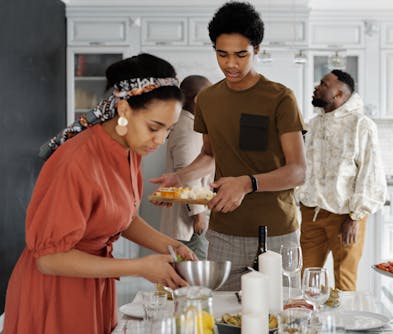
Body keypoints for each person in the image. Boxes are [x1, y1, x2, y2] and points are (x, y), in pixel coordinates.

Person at [4, 53, 197, 334]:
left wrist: (171, 245)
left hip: (92, 283)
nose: (160, 140)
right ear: (124, 110)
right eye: (154, 128)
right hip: (56, 291)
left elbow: (120, 217)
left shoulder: (129, 151)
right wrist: (139, 267)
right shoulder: (76, 161)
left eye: (168, 130)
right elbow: (49, 259)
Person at [150, 1, 306, 290]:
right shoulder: (207, 100)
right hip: (223, 233)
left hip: (276, 232)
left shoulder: (280, 98)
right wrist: (179, 178)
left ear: (256, 49)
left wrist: (248, 183)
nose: (230, 64)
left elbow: (298, 171)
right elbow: (210, 153)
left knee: (282, 318)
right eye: (222, 54)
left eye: (240, 55)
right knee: (223, 318)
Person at [296, 69, 387, 291]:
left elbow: (370, 173)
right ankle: (310, 324)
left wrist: (355, 217)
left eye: (324, 84)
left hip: (345, 216)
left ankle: (345, 326)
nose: (317, 87)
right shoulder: (314, 124)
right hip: (311, 213)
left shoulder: (361, 125)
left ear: (339, 94)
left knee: (345, 282)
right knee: (306, 281)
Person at [160, 75, 213, 260]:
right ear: (198, 99)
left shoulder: (183, 122)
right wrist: (198, 215)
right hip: (189, 224)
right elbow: (188, 173)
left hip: (184, 218)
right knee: (195, 278)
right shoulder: (189, 128)